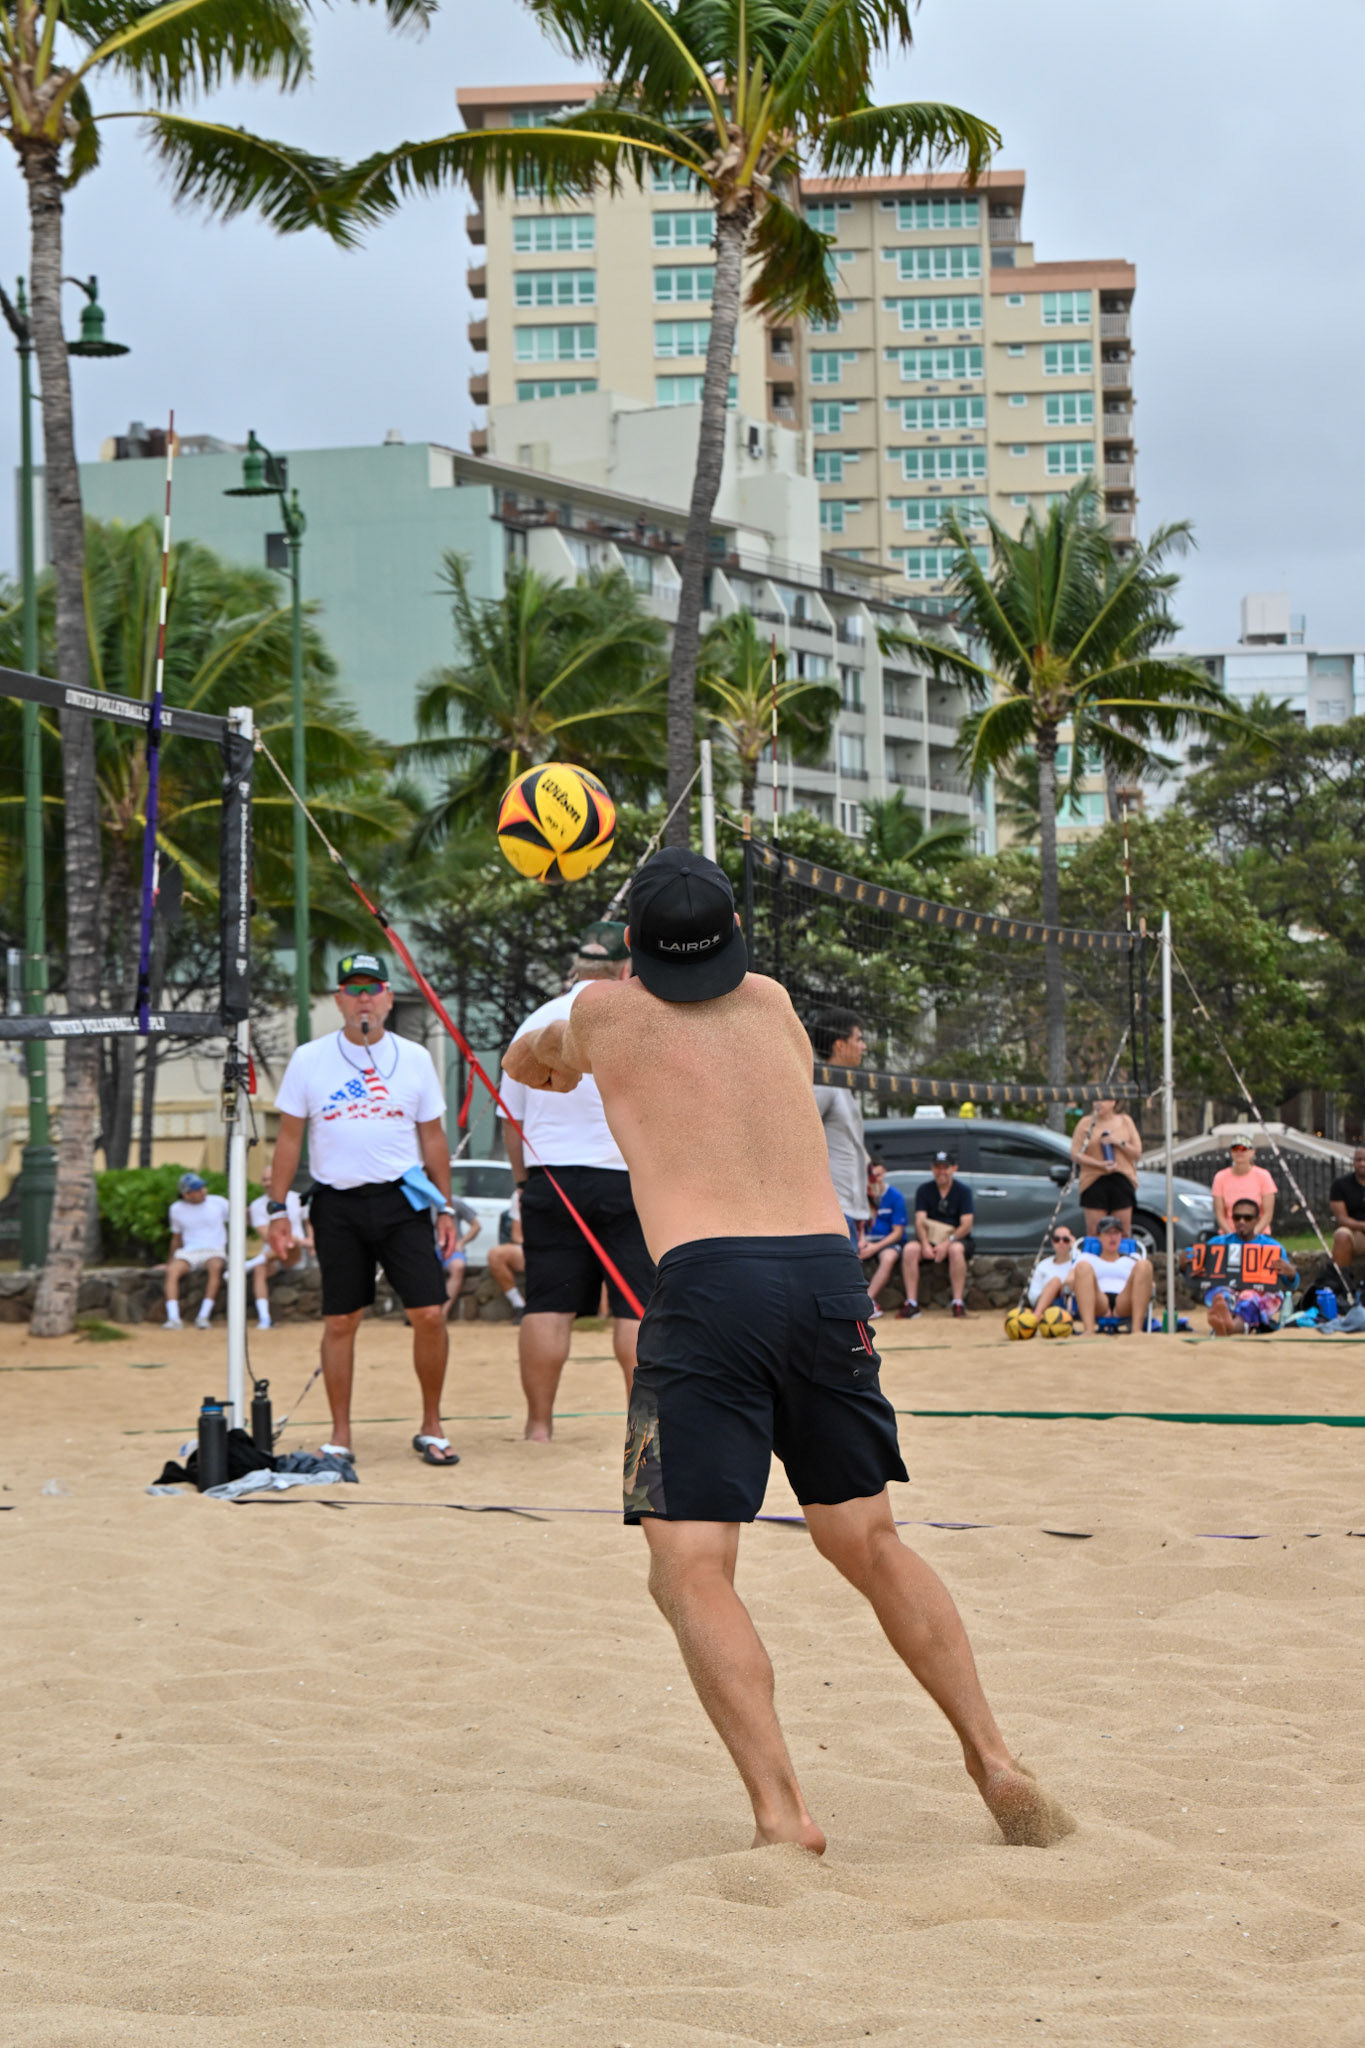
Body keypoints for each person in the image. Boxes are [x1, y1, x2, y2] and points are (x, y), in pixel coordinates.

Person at [504, 846, 1071, 1853]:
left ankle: (783, 1817)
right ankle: (993, 1755)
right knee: (868, 1538)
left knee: (690, 1565)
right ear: (732, 939)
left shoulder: (601, 1008)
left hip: (711, 1286)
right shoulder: (772, 1004)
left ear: (633, 943)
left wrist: (579, 1026)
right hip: (826, 1281)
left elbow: (525, 1059)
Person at [266, 951, 461, 1467]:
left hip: (401, 1199)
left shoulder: (415, 1058)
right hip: (336, 1203)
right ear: (338, 1001)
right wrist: (276, 1209)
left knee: (429, 1313)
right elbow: (289, 1139)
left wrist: (445, 1206)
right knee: (341, 1320)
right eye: (353, 990)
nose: (363, 999)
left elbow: (434, 1138)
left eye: (373, 989)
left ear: (389, 998)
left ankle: (432, 1424)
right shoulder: (310, 1059)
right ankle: (341, 1434)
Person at [498, 921, 656, 1442]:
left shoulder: (536, 1020)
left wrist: (523, 1185)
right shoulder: (634, 1019)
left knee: (548, 1305)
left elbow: (510, 1120)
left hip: (551, 1179)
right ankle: (645, 1430)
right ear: (625, 969)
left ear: (577, 967)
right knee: (636, 1306)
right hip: (622, 1179)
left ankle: (538, 1427)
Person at [1186, 1197, 1297, 1337]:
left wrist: (1291, 1274)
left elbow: (1291, 1285)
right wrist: (1186, 1264)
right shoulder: (1217, 1243)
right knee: (1221, 1294)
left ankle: (1228, 1327)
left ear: (1257, 1220)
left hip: (1260, 1291)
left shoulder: (1273, 1246)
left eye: (1247, 1218)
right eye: (1237, 1217)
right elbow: (1194, 1270)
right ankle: (1227, 1323)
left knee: (1250, 1297)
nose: (1241, 1222)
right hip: (1227, 1289)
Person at [810, 1009, 869, 1246]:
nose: (863, 1047)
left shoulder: (841, 1085)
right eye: (859, 1039)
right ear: (840, 1045)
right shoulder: (824, 1086)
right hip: (833, 1213)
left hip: (849, 1211)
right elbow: (801, 1136)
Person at [900, 1150, 975, 1319]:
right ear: (932, 1168)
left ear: (954, 1168)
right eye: (937, 1167)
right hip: (930, 1238)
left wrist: (947, 1242)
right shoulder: (924, 1190)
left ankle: (957, 1302)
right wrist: (925, 1244)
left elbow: (967, 1224)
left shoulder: (963, 1191)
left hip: (955, 1239)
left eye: (945, 1167)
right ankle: (911, 1303)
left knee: (956, 1250)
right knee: (910, 1249)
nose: (941, 1171)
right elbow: (920, 1220)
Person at [164, 1171, 230, 1330]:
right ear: (186, 1195)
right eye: (197, 1189)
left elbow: (240, 1219)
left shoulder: (219, 1202)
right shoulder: (176, 1209)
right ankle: (173, 1318)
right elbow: (176, 1238)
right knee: (172, 1271)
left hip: (215, 1250)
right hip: (189, 1251)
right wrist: (170, 1260)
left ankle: (203, 1316)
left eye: (203, 1187)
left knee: (215, 1267)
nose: (203, 1191)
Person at [245, 1172, 311, 1330]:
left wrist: (310, 1241)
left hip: (294, 1252)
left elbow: (309, 1222)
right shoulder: (257, 1205)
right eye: (264, 1179)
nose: (268, 1182)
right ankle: (265, 1318)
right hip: (273, 1252)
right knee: (260, 1269)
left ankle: (248, 1264)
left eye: (271, 1178)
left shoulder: (297, 1199)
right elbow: (266, 1235)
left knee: (292, 1241)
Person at [1069, 1095, 1142, 1237]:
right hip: (1094, 1180)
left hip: (1121, 1178)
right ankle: (1094, 1258)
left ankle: (1123, 1258)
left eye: (1102, 1100)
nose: (1098, 1103)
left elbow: (1137, 1153)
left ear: (1113, 1102)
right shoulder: (1085, 1123)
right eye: (1095, 1100)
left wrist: (1117, 1141)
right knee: (1094, 1230)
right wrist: (1100, 1164)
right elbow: (1075, 1153)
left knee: (1123, 1230)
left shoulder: (1126, 1121)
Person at [1071, 1216, 1154, 1338]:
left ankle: (1137, 1331)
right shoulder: (1086, 1257)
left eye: (1116, 1233)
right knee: (1083, 1267)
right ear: (1099, 1236)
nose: (1112, 1237)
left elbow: (1149, 1283)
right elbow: (1069, 1280)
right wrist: (1074, 1282)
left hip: (1125, 1300)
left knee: (1144, 1265)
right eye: (1107, 1233)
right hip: (1098, 1300)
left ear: (1121, 1236)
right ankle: (1089, 1330)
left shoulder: (1132, 1258)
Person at [860, 1162, 908, 1317]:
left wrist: (875, 1247)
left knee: (888, 1258)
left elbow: (898, 1232)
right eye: (871, 1176)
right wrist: (862, 1242)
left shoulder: (895, 1196)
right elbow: (856, 1224)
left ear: (885, 1173)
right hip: (865, 1240)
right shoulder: (861, 1196)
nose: (874, 1180)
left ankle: (868, 1301)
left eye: (878, 1175)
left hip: (887, 1242)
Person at [1211, 1133, 1277, 1234]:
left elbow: (1268, 1214)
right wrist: (1232, 1235)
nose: (1239, 1152)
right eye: (1235, 1148)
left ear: (1252, 1152)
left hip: (1258, 1235)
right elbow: (1220, 1214)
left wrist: (1252, 1234)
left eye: (1243, 1148)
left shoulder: (1263, 1176)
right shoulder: (1220, 1177)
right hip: (1230, 1235)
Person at [486, 1188, 526, 1322]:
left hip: (560, 1249)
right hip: (531, 1248)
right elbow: (516, 1235)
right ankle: (519, 1305)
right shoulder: (519, 1194)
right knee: (495, 1254)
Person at [440, 1197, 483, 1321]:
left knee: (458, 1266)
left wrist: (461, 1243)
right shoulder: (419, 1199)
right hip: (427, 1249)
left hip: (452, 1249)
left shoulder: (455, 1202)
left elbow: (476, 1225)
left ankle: (443, 1313)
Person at [1329, 1145, 1365, 1280]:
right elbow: (1342, 1218)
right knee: (1341, 1235)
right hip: (1355, 1232)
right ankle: (1342, 1284)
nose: (1362, 1163)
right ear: (1353, 1162)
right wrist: (1362, 1226)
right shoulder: (1340, 1185)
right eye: (1359, 1160)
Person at [1027, 1226, 1078, 1314]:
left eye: (1066, 1239)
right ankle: (1037, 1316)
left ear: (1071, 1242)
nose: (1061, 1242)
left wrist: (1074, 1248)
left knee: (1064, 1281)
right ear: (1052, 1241)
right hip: (1048, 1306)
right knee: (1055, 1281)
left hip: (1074, 1303)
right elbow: (1033, 1295)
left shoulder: (1079, 1258)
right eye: (1056, 1239)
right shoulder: (1043, 1265)